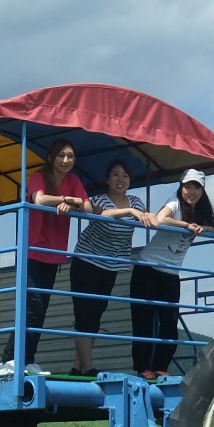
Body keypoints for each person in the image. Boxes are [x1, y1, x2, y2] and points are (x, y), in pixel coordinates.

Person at [0, 138, 90, 374]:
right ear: (51, 157)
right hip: (32, 251)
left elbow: (87, 207)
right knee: (32, 308)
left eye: (70, 156)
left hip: (54, 254)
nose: (66, 160)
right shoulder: (39, 176)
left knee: (41, 311)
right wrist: (65, 200)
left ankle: (27, 361)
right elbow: (38, 198)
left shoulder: (73, 180)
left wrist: (75, 203)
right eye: (61, 155)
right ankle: (8, 360)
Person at [129, 168, 214, 379]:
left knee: (169, 324)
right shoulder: (175, 203)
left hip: (170, 273)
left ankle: (161, 367)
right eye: (188, 186)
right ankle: (143, 368)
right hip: (147, 267)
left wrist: (203, 228)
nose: (191, 191)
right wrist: (187, 226)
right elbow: (161, 219)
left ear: (202, 190)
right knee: (143, 321)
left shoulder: (202, 212)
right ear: (181, 187)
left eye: (196, 187)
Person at [67, 159, 153, 377]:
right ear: (107, 179)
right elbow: (100, 214)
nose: (120, 179)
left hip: (111, 266)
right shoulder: (99, 200)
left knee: (96, 315)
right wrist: (129, 213)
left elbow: (148, 217)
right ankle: (88, 368)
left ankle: (77, 366)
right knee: (84, 314)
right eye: (115, 174)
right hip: (86, 261)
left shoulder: (136, 201)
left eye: (125, 175)